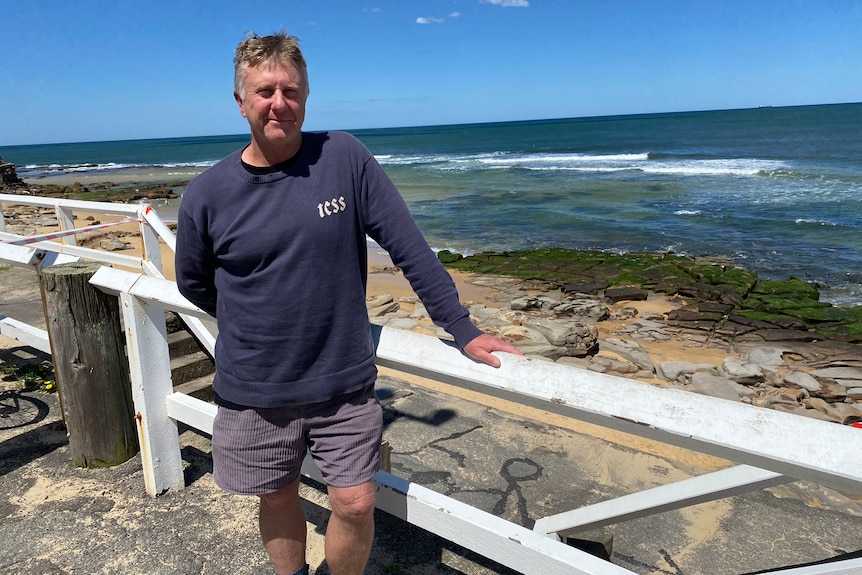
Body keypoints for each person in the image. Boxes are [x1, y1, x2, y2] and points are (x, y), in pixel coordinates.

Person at [174, 31, 522, 575]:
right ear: (240, 101)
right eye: (264, 90)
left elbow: (408, 246)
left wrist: (462, 327)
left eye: (291, 90)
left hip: (344, 380)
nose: (279, 102)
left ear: (306, 96)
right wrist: (262, 320)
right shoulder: (207, 194)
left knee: (356, 503)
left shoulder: (344, 157)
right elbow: (194, 284)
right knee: (279, 496)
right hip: (256, 385)